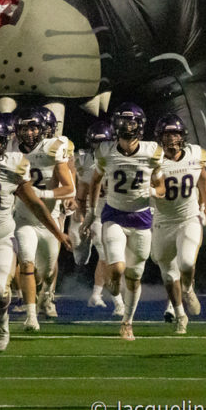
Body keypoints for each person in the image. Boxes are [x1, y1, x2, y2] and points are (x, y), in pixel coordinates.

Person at [0, 114, 71, 372]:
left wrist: (58, 232)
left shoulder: (15, 163)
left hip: (1, 238)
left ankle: (2, 320)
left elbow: (34, 203)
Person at [84, 102, 165, 341]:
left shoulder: (152, 151)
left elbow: (161, 187)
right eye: (124, 121)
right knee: (118, 267)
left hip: (141, 218)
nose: (128, 126)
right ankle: (113, 279)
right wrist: (91, 211)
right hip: (114, 215)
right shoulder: (105, 150)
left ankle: (127, 322)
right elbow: (95, 180)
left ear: (140, 125)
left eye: (132, 122)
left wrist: (153, 191)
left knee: (135, 276)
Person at [150, 113, 206, 334]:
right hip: (163, 221)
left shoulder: (195, 154)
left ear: (183, 135)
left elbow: (203, 178)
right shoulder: (154, 159)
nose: (171, 138)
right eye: (167, 134)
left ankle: (188, 288)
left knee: (186, 263)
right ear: (160, 136)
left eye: (175, 133)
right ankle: (180, 315)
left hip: (189, 217)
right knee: (169, 274)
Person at [11, 107, 75, 330]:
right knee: (26, 262)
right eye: (24, 128)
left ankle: (46, 294)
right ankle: (31, 316)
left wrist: (43, 194)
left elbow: (69, 188)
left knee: (46, 272)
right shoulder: (10, 149)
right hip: (23, 218)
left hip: (49, 219)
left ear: (42, 130)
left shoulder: (53, 148)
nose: (29, 133)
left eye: (33, 128)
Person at [71, 120, 124, 316]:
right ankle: (118, 302)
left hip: (115, 214)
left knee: (107, 257)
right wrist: (81, 215)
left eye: (104, 142)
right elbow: (81, 192)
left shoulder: (120, 159)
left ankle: (96, 294)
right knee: (97, 257)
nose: (100, 147)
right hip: (94, 215)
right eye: (96, 143)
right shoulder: (85, 160)